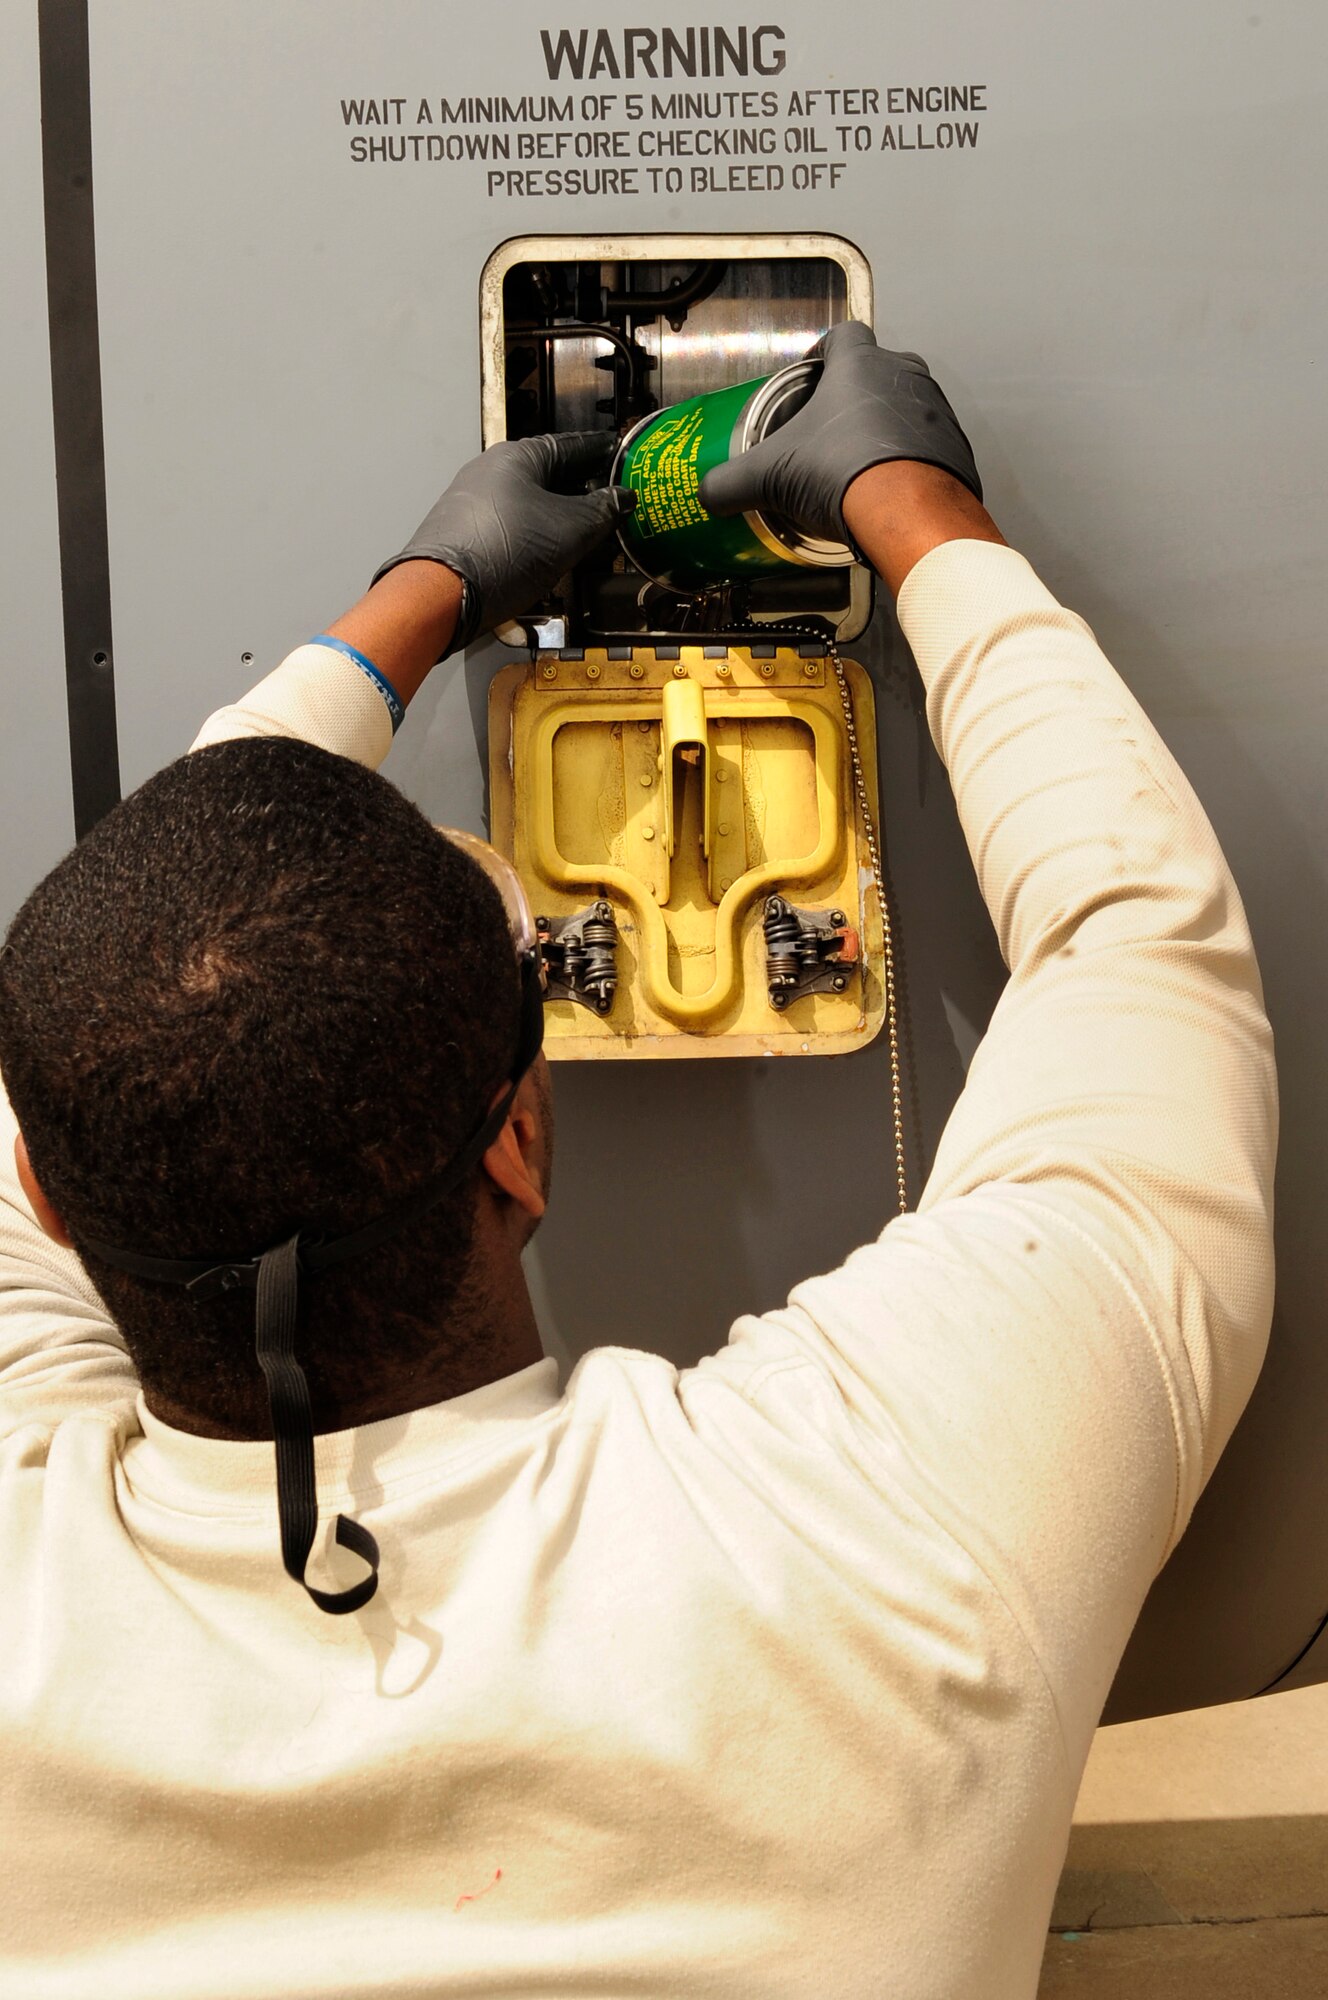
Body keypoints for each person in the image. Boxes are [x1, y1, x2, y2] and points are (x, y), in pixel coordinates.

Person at [0, 324, 1275, 1999]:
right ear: (522, 1138)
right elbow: (1136, 948)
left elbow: (119, 1001)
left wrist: (405, 609)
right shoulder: (880, 1552)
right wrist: (917, 520)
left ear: (43, 1209)